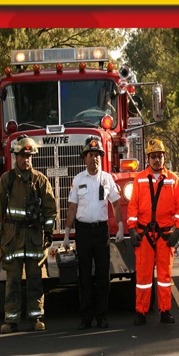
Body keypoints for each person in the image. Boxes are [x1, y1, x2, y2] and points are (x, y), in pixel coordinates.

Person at [0, 135, 56, 333]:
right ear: (15, 157)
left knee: (35, 279)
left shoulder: (41, 181)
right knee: (13, 280)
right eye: (22, 156)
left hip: (34, 238)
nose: (26, 160)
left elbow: (50, 209)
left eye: (29, 156)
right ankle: (11, 320)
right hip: (12, 237)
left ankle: (36, 318)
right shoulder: (7, 180)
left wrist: (49, 231)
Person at [63, 137, 123, 329]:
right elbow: (72, 208)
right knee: (85, 276)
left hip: (101, 232)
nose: (94, 159)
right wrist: (66, 234)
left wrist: (120, 226)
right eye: (91, 155)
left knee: (103, 276)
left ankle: (102, 316)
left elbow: (115, 203)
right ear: (85, 158)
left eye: (97, 155)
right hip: (83, 232)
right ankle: (86, 316)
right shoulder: (78, 179)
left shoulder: (107, 179)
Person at [127, 138, 179, 325]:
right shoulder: (139, 179)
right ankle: (141, 312)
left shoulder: (173, 180)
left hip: (165, 236)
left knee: (165, 277)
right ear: (148, 158)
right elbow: (133, 207)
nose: (156, 160)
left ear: (164, 157)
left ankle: (165, 311)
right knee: (143, 277)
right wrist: (132, 230)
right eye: (153, 156)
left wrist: (177, 231)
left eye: (159, 156)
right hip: (144, 235)